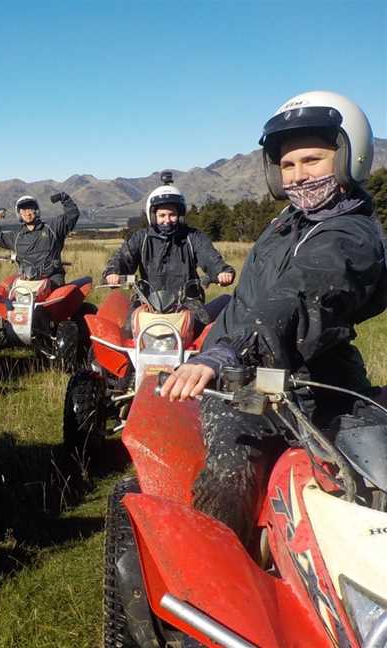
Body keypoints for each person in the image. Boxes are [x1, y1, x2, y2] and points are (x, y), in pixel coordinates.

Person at [159, 91, 387, 545]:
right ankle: (218, 589)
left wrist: (226, 351)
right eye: (287, 165)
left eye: (312, 160)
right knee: (230, 473)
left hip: (307, 373)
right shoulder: (287, 222)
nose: (299, 175)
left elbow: (300, 296)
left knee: (371, 471)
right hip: (246, 375)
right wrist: (211, 319)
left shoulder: (349, 236)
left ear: (348, 157)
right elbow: (253, 297)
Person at [103, 176, 235, 313]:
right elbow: (123, 258)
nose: (167, 220)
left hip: (187, 303)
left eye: (172, 215)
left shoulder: (193, 237)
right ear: (153, 216)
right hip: (148, 301)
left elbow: (210, 257)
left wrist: (221, 271)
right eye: (162, 215)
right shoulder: (141, 238)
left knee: (205, 329)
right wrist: (113, 272)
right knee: (128, 329)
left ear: (180, 215)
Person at [0, 192, 79, 288]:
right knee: (8, 296)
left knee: (60, 297)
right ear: (19, 214)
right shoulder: (16, 237)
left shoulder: (53, 227)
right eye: (23, 210)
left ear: (36, 210)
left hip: (52, 279)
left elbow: (72, 216)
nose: (27, 213)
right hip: (27, 280)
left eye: (30, 208)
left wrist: (65, 198)